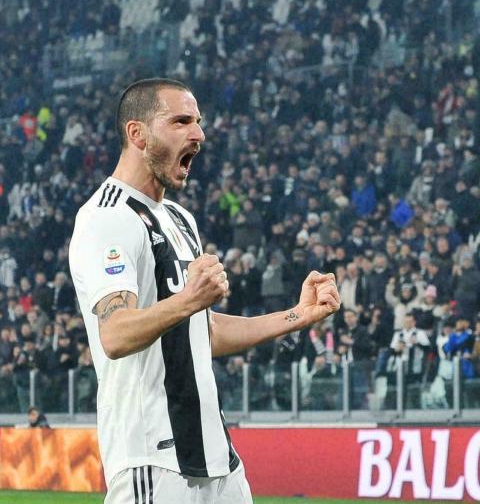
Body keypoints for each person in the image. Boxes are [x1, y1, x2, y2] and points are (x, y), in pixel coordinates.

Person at [68, 79, 341, 503]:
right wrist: (190, 299)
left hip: (218, 458)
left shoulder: (180, 220)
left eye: (198, 122)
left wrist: (298, 316)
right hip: (154, 461)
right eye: (180, 121)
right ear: (137, 134)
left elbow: (204, 332)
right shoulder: (108, 218)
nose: (198, 134)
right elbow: (115, 335)